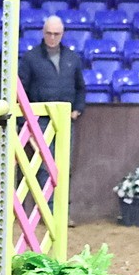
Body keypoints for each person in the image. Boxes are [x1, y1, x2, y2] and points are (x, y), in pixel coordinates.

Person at [17, 15, 86, 216]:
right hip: (40, 120)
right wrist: (25, 122)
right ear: (43, 33)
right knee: (45, 166)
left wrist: (77, 109)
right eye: (49, 33)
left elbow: (81, 88)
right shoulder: (30, 59)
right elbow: (20, 92)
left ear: (62, 34)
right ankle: (51, 211)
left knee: (64, 166)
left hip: (65, 120)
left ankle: (60, 210)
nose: (52, 37)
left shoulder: (73, 59)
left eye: (56, 34)